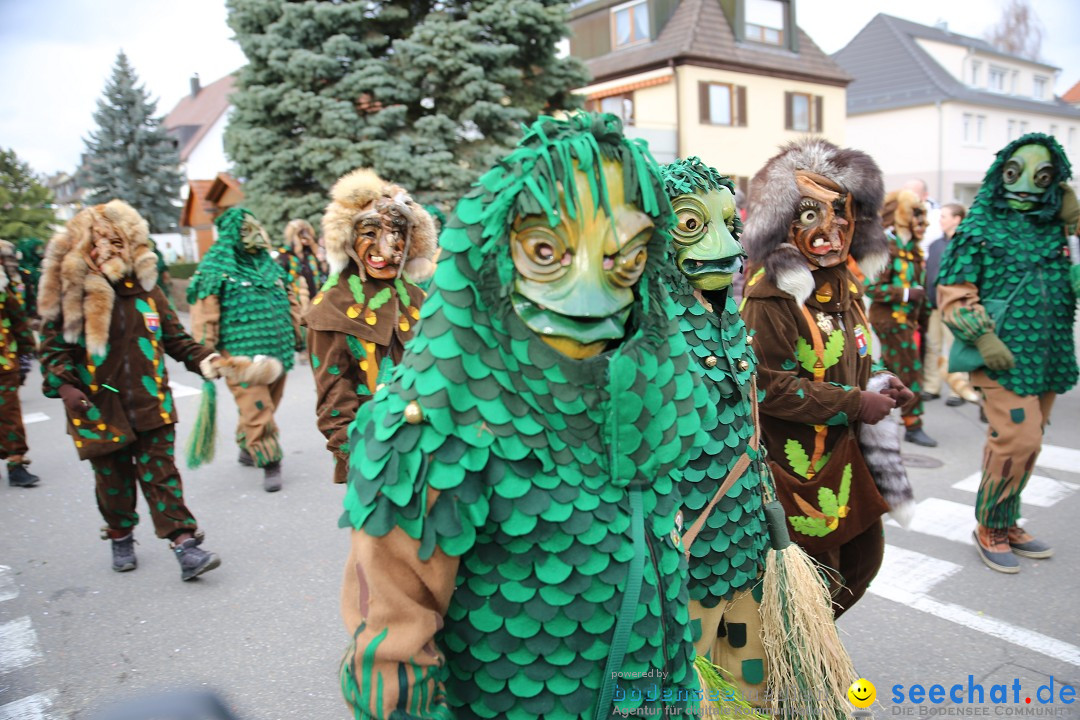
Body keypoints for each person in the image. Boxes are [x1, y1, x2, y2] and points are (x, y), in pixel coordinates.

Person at [339, 113, 718, 718]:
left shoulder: (644, 392)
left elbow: (662, 588)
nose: (593, 298)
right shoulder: (432, 426)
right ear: (495, 255)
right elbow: (391, 654)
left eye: (624, 258)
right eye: (547, 251)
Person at [740, 138, 913, 617]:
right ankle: (789, 673)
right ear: (783, 222)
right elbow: (767, 385)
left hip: (847, 457)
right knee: (813, 586)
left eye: (841, 213)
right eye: (811, 214)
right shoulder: (769, 295)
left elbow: (850, 354)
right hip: (797, 470)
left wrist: (880, 380)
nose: (831, 229)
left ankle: (810, 656)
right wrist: (854, 403)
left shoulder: (844, 280)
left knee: (861, 563)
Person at [37, 201, 222, 579]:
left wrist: (204, 359)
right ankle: (120, 534)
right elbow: (53, 350)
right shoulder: (73, 294)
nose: (108, 251)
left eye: (116, 243)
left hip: (151, 404)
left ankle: (184, 544)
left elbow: (177, 339)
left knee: (163, 477)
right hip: (98, 411)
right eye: (100, 244)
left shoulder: (148, 294)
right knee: (113, 483)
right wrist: (66, 388)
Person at [936, 133, 1077, 573]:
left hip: (1047, 352)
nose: (1026, 186)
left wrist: (1074, 215)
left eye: (1043, 177)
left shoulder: (1054, 226)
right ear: (1001, 174)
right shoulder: (979, 227)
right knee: (1018, 438)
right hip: (1001, 358)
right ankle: (989, 526)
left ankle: (1007, 519)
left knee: (1029, 444)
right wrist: (983, 338)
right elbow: (953, 291)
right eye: (1016, 175)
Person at [659, 158, 771, 700]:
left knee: (745, 658)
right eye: (692, 225)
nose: (727, 245)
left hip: (740, 531)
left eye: (730, 224)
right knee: (687, 661)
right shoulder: (648, 328)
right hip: (688, 543)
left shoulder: (726, 310)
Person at [305, 169, 436, 484]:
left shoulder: (420, 298)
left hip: (431, 450)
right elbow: (334, 401)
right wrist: (361, 460)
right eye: (370, 232)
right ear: (348, 237)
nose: (386, 248)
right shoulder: (331, 307)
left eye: (397, 235)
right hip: (370, 454)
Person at [188, 208, 302, 492]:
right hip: (240, 358)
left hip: (278, 352)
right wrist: (206, 353)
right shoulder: (216, 268)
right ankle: (270, 461)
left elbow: (290, 300)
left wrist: (298, 333)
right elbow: (205, 314)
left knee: (269, 404)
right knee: (258, 408)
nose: (255, 235)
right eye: (245, 230)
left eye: (255, 228)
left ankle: (246, 445)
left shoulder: (270, 265)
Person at [866, 189, 937, 447]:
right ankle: (913, 424)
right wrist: (907, 294)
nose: (921, 218)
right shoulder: (886, 245)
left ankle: (877, 413)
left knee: (887, 371)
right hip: (891, 322)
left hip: (910, 321)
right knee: (910, 372)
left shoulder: (913, 247)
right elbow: (872, 288)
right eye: (914, 211)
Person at [922, 203, 977, 407]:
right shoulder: (936, 244)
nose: (941, 220)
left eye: (945, 216)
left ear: (957, 219)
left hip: (955, 306)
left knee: (955, 348)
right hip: (934, 304)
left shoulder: (965, 245)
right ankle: (931, 387)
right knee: (932, 347)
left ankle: (958, 389)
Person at [0, 239, 39, 487]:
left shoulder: (3, 290)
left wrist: (25, 355)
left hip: (4, 364)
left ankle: (16, 463)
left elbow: (19, 323)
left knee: (10, 414)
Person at [278, 218, 325, 314]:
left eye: (306, 232)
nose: (304, 235)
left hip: (315, 301)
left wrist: (312, 245)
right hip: (297, 305)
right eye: (301, 233)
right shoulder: (285, 255)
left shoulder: (310, 253)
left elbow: (323, 271)